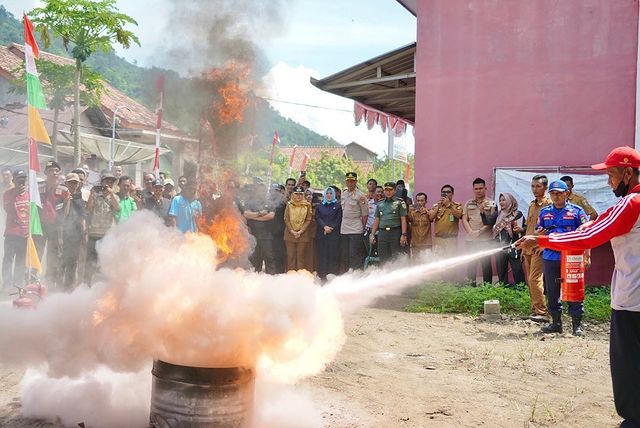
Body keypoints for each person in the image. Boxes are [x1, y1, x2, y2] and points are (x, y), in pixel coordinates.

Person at [516, 146, 640, 427]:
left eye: (611, 175)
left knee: (628, 362)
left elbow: (590, 235)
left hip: (632, 298)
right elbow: (595, 225)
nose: (609, 182)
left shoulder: (632, 203)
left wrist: (542, 240)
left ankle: (634, 418)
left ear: (628, 173)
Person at [536, 180, 589, 335]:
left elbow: (587, 234)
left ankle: (577, 326)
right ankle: (556, 323)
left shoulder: (577, 211)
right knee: (552, 291)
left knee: (574, 290)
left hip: (572, 258)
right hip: (551, 257)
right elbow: (539, 232)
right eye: (553, 193)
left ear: (567, 193)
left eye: (559, 193)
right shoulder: (545, 212)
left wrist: (587, 255)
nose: (556, 196)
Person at [522, 174, 552, 322]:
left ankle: (542, 312)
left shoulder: (550, 205)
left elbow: (549, 228)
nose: (535, 189)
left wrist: (544, 244)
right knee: (530, 279)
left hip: (539, 247)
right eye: (533, 186)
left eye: (538, 186)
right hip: (528, 247)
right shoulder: (532, 205)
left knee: (535, 278)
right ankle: (535, 309)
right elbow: (529, 227)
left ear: (545, 188)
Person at [85, 171, 120, 284]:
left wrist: (111, 194)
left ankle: (100, 285)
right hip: (94, 233)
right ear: (102, 182)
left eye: (111, 182)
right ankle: (86, 285)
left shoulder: (114, 196)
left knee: (104, 262)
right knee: (90, 261)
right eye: (106, 181)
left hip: (107, 234)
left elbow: (118, 208)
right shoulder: (95, 194)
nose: (108, 184)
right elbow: (89, 208)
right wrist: (91, 195)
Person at [462, 178, 497, 285]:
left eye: (481, 188)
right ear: (473, 189)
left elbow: (491, 221)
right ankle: (470, 289)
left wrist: (479, 232)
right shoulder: (468, 203)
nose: (478, 191)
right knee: (471, 265)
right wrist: (471, 232)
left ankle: (487, 289)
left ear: (485, 188)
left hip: (485, 240)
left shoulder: (491, 203)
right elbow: (464, 218)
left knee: (486, 266)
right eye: (476, 189)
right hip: (470, 240)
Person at [38, 160, 66, 288]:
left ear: (59, 173)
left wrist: (61, 227)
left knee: (53, 255)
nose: (53, 173)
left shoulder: (64, 189)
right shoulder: (38, 187)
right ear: (45, 173)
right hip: (40, 226)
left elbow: (66, 210)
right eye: (50, 171)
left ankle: (50, 281)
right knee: (38, 252)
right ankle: (34, 279)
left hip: (56, 227)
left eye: (56, 171)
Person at [488, 193, 525, 286]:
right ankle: (503, 291)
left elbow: (524, 227)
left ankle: (521, 292)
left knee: (517, 270)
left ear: (510, 200)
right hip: (500, 246)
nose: (501, 202)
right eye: (500, 200)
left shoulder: (517, 214)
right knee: (501, 272)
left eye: (504, 200)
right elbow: (487, 222)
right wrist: (484, 211)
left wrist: (520, 229)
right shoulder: (497, 214)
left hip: (514, 246)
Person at [2, 169, 28, 291]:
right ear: (14, 181)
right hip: (12, 232)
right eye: (19, 180)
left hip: (25, 234)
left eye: (23, 180)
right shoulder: (7, 193)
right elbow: (7, 208)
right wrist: (15, 193)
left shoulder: (29, 195)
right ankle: (7, 284)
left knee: (21, 260)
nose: (21, 183)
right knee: (8, 258)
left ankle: (18, 283)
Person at [370, 182, 408, 264]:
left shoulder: (400, 202)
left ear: (394, 191)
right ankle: (385, 274)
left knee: (396, 257)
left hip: (395, 233)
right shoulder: (380, 203)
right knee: (383, 257)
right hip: (382, 233)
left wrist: (403, 235)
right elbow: (377, 219)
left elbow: (403, 219)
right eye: (386, 190)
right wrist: (372, 234)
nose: (388, 192)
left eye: (390, 190)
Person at [60, 173, 86, 291]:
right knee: (62, 261)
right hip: (63, 234)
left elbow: (82, 218)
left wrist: (84, 234)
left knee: (73, 262)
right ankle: (57, 285)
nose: (73, 185)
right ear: (66, 183)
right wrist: (67, 200)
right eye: (70, 182)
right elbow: (63, 215)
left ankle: (68, 286)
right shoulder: (61, 195)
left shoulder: (81, 198)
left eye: (75, 182)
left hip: (76, 235)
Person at [243, 183, 277, 274]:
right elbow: (246, 214)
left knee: (269, 258)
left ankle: (270, 279)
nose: (261, 192)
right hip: (253, 235)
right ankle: (254, 278)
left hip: (266, 236)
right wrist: (260, 213)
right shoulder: (250, 203)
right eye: (259, 190)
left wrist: (254, 217)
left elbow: (270, 216)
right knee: (254, 258)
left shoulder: (270, 203)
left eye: (263, 191)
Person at [340, 172, 368, 271]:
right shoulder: (343, 194)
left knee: (354, 254)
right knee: (345, 254)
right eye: (348, 181)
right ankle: (346, 275)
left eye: (352, 181)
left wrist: (363, 227)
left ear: (356, 181)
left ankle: (355, 275)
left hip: (356, 227)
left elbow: (365, 214)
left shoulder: (361, 196)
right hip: (344, 228)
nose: (350, 183)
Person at [315, 187, 342, 280]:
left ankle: (332, 276)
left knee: (333, 255)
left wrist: (331, 228)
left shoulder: (338, 206)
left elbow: (338, 219)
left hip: (333, 235)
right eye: (327, 193)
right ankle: (322, 276)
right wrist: (324, 227)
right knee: (322, 255)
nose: (329, 195)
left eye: (331, 193)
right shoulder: (320, 206)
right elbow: (317, 217)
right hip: (322, 234)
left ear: (334, 195)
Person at [283, 186, 312, 271]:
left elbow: (308, 219)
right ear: (293, 195)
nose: (298, 196)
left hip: (302, 235)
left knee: (301, 257)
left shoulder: (307, 205)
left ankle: (300, 278)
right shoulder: (289, 204)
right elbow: (286, 218)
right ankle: (291, 277)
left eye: (300, 194)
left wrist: (300, 231)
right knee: (291, 257)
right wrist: (292, 231)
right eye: (296, 194)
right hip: (289, 234)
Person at [430, 184, 463, 257]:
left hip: (451, 239)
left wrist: (448, 205)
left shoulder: (457, 205)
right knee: (439, 263)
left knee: (451, 263)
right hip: (439, 239)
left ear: (452, 194)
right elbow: (430, 218)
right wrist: (438, 206)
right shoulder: (436, 206)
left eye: (448, 192)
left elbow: (459, 215)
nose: (446, 194)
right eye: (444, 192)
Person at [408, 192, 432, 258]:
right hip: (415, 244)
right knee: (416, 264)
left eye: (422, 201)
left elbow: (432, 217)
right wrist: (409, 211)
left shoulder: (429, 211)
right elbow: (409, 219)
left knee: (428, 264)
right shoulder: (413, 213)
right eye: (418, 201)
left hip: (427, 244)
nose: (419, 203)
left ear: (426, 201)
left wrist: (426, 211)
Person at [270, 184, 287, 273]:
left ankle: (279, 274)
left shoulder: (284, 204)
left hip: (280, 234)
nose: (275, 193)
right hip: (269, 233)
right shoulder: (268, 203)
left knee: (280, 255)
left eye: (277, 191)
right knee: (271, 255)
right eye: (273, 191)